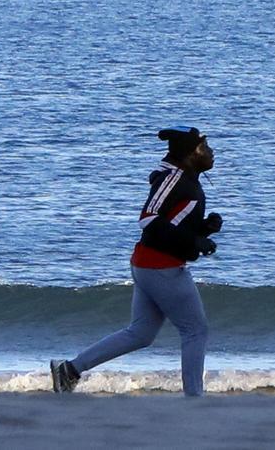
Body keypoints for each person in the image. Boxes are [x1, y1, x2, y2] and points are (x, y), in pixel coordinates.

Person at [50, 126, 222, 396]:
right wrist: (193, 242)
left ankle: (69, 371)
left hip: (149, 264)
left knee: (141, 333)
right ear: (190, 153)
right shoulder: (173, 179)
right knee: (195, 330)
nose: (211, 152)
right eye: (205, 147)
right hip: (160, 267)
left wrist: (203, 229)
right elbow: (149, 219)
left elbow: (173, 224)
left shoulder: (187, 179)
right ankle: (194, 398)